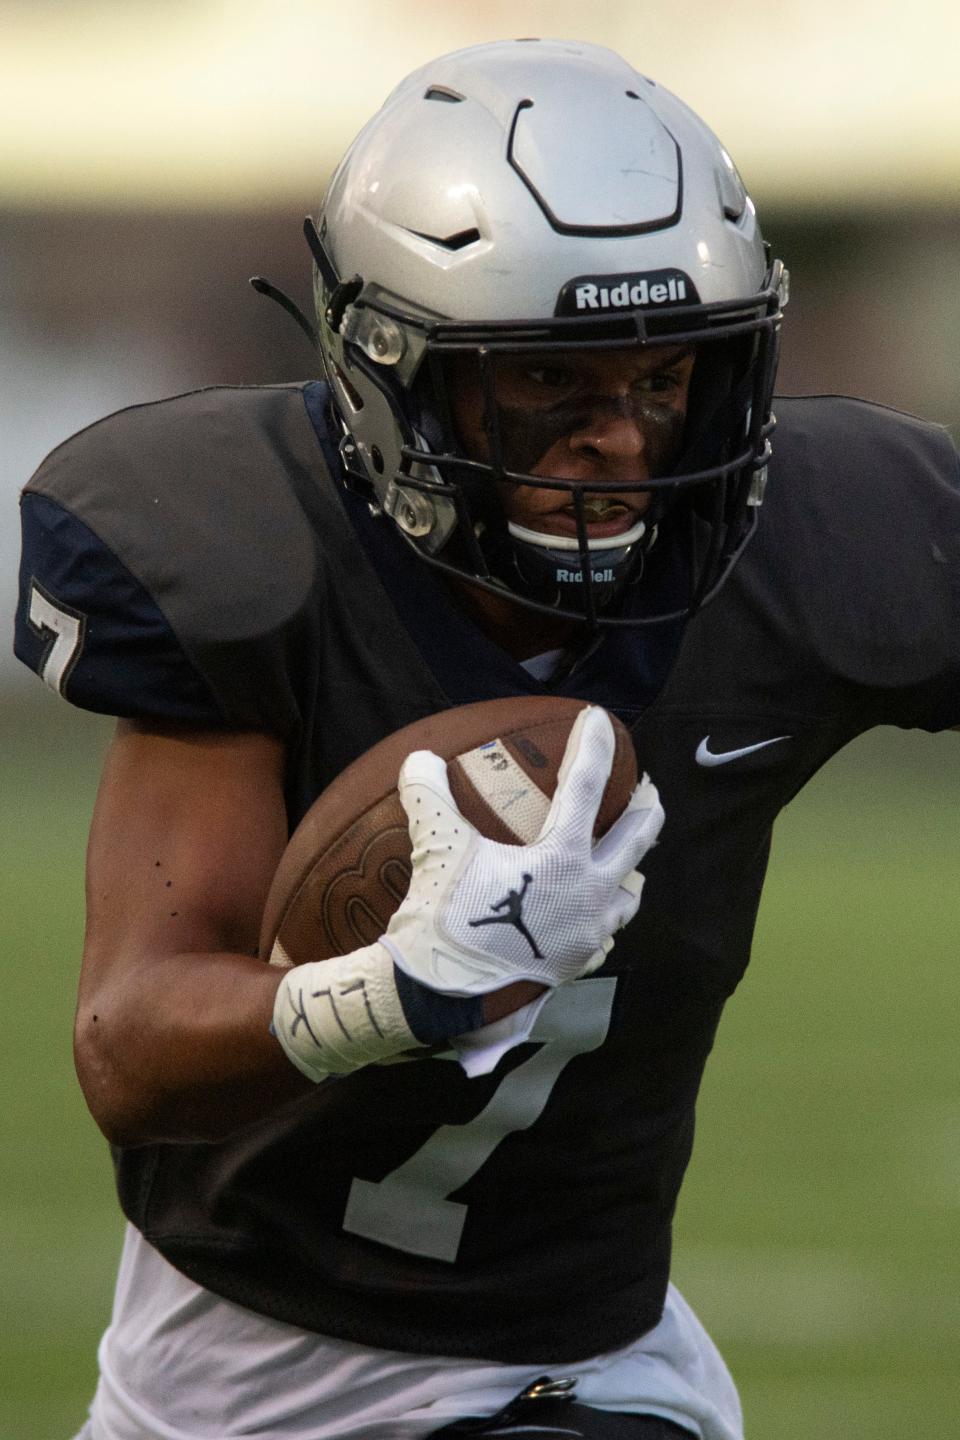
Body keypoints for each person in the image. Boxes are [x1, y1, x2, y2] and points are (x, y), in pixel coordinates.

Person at [13, 36, 960, 1440]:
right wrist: (395, 991)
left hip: (600, 1366)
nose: (623, 445)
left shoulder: (827, 537)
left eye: (665, 380)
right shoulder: (249, 548)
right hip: (228, 1382)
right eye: (548, 387)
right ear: (391, 370)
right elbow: (128, 1047)